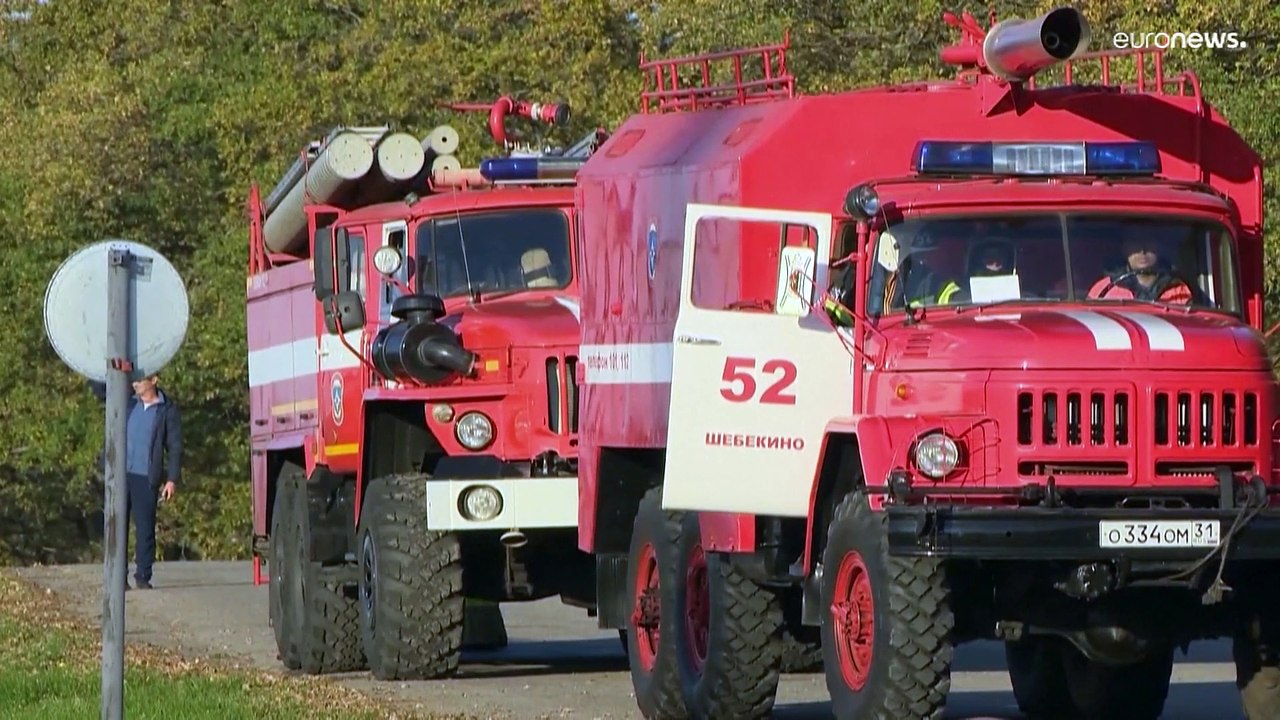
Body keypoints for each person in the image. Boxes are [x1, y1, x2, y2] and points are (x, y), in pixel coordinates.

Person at [90, 373, 183, 589]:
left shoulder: (166, 411)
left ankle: (143, 575)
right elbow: (101, 392)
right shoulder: (128, 403)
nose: (136, 384)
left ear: (154, 380)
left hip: (145, 475)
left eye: (140, 380)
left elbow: (176, 447)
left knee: (144, 527)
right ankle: (118, 577)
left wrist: (171, 479)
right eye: (135, 380)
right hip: (121, 474)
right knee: (117, 525)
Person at [1087, 235, 1194, 304]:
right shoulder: (1103, 290)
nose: (1142, 251)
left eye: (1149, 243)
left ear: (1158, 248)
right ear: (1125, 249)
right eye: (1135, 244)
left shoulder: (1179, 290)